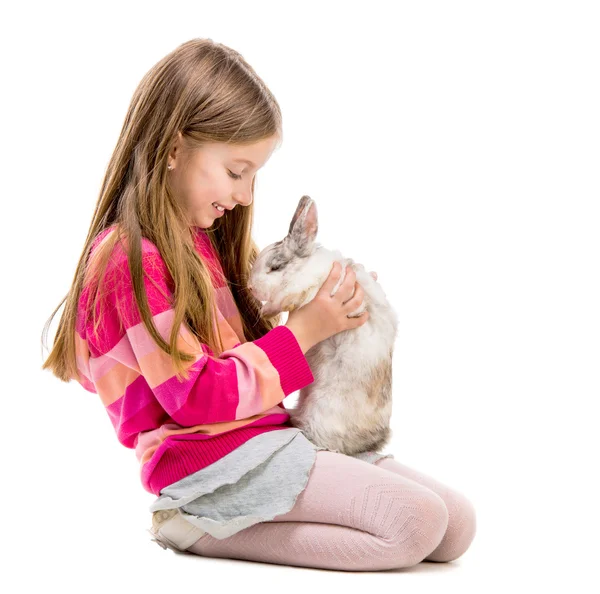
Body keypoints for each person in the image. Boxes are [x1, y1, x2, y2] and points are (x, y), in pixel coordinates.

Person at [41, 38, 476, 572]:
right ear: (175, 148)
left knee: (455, 526)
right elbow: (194, 397)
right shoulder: (129, 261)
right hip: (209, 464)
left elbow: (249, 345)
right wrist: (306, 331)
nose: (246, 196)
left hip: (266, 439)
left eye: (253, 176)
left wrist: (327, 301)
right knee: (415, 523)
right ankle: (198, 524)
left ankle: (242, 517)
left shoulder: (204, 240)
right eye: (235, 170)